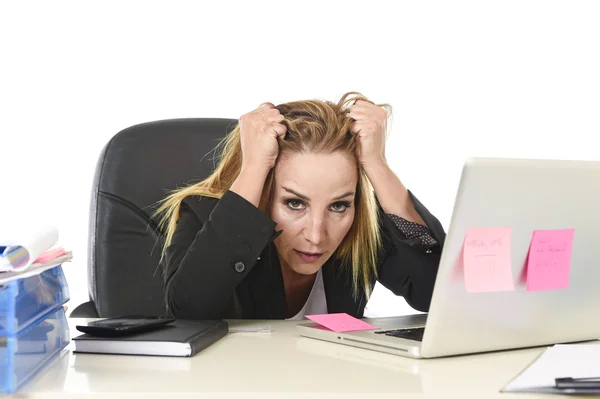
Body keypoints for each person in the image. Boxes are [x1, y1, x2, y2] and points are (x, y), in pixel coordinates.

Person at [155, 92, 446, 320]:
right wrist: (256, 166)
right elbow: (189, 310)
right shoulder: (206, 217)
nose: (317, 236)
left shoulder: (359, 228)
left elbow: (440, 296)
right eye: (294, 203)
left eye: (338, 206)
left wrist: (377, 165)